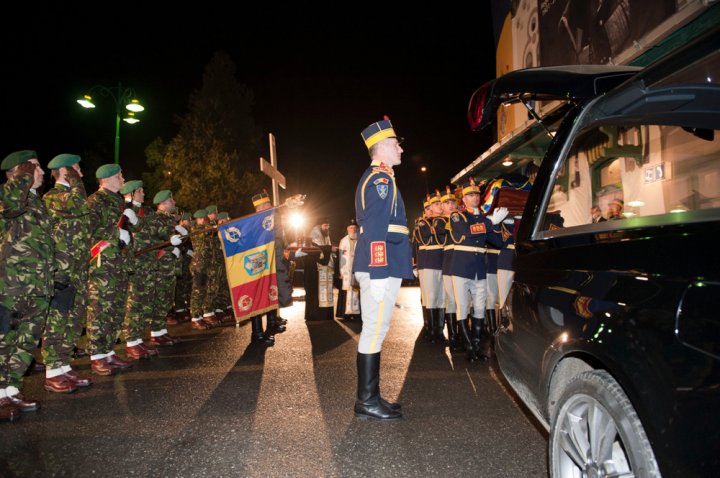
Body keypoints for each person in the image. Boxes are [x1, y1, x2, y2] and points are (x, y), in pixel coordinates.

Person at [353, 117, 414, 421]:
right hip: (381, 263)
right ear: (381, 148)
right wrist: (378, 273)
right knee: (374, 331)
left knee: (377, 330)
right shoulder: (380, 179)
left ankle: (372, 396)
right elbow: (376, 228)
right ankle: (366, 401)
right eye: (395, 144)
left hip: (384, 261)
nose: (400, 148)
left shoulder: (384, 177)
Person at [0, 150, 53, 421]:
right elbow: (10, 206)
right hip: (10, 287)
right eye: (36, 167)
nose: (42, 172)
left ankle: (10, 390)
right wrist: (22, 177)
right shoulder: (7, 196)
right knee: (4, 340)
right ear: (18, 172)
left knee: (25, 342)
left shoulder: (36, 202)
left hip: (38, 286)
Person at [42, 153, 93, 392]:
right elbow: (79, 204)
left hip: (78, 270)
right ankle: (52, 369)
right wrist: (75, 181)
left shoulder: (72, 195)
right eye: (76, 169)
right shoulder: (53, 197)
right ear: (66, 171)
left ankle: (63, 365)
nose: (81, 172)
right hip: (62, 271)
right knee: (58, 319)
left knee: (74, 320)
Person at [449, 177, 508, 362]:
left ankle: (476, 346)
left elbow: (498, 243)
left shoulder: (484, 219)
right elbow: (467, 231)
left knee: (480, 308)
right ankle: (468, 348)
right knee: (462, 307)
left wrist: (497, 224)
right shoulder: (457, 216)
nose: (475, 197)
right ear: (463, 199)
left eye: (476, 194)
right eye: (470, 194)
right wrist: (491, 222)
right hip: (461, 268)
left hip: (479, 269)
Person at [86, 163, 136, 376]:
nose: (123, 179)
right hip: (102, 266)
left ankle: (108, 351)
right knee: (100, 310)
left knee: (115, 309)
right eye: (119, 176)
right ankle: (97, 356)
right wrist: (116, 235)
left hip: (119, 264)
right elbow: (89, 233)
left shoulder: (118, 201)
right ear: (106, 180)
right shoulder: (94, 201)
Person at [299, 218, 335, 321]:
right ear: (319, 225)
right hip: (314, 269)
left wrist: (328, 248)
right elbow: (317, 250)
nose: (327, 228)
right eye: (325, 226)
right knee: (315, 292)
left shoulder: (325, 235)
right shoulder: (314, 235)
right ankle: (315, 315)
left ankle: (325, 315)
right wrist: (329, 248)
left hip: (322, 269)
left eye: (328, 226)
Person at [335, 219, 361, 321]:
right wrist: (341, 271)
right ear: (347, 229)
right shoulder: (343, 241)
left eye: (355, 228)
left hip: (357, 268)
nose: (353, 229)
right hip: (346, 269)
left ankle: (356, 313)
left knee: (357, 290)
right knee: (347, 290)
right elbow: (341, 257)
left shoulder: (361, 239)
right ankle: (346, 313)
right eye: (351, 227)